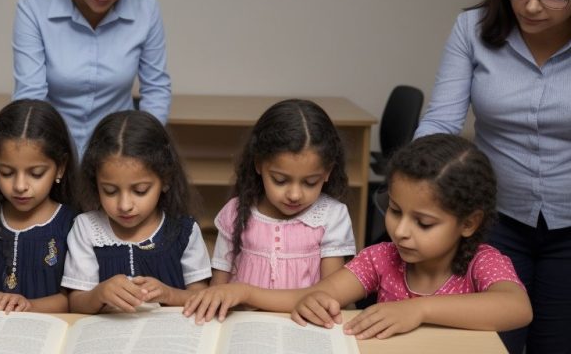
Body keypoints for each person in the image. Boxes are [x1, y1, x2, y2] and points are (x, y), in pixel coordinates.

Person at [184, 134, 532, 341]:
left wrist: (419, 309)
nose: (401, 231)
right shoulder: (382, 258)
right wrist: (248, 291)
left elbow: (517, 308)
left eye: (423, 223)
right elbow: (319, 293)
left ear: (469, 223)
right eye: (395, 211)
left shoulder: (482, 262)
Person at [413, 0, 571, 351]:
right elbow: (441, 121)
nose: (531, 5)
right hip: (496, 220)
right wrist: (412, 180)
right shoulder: (473, 28)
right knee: (492, 342)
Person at [13, 0, 171, 156]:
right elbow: (30, 99)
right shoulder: (34, 5)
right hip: (53, 148)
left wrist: (140, 148)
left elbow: (156, 87)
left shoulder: (145, 5)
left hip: (118, 152)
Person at [63, 110, 210, 314]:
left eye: (140, 191)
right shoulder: (86, 228)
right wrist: (99, 294)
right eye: (110, 191)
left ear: (165, 180)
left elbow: (201, 296)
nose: (124, 205)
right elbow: (76, 303)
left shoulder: (183, 231)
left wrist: (169, 294)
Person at [210, 99, 354, 289]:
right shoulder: (236, 212)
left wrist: (249, 296)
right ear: (258, 164)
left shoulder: (332, 216)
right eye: (280, 180)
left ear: (327, 172)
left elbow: (329, 295)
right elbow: (217, 289)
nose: (294, 195)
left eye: (310, 182)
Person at [0, 99, 79, 313]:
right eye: (6, 173)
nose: (20, 186)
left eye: (36, 174)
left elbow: (73, 300)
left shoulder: (74, 224)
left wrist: (28, 306)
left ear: (60, 168)